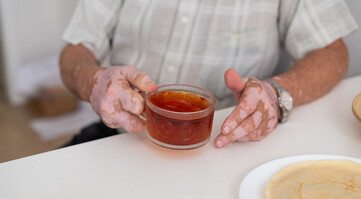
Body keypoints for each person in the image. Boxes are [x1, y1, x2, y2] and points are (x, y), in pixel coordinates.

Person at [60, 0, 357, 148]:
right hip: (120, 138)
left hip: (226, 147)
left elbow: (332, 52)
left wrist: (276, 93)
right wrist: (95, 82)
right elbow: (75, 51)